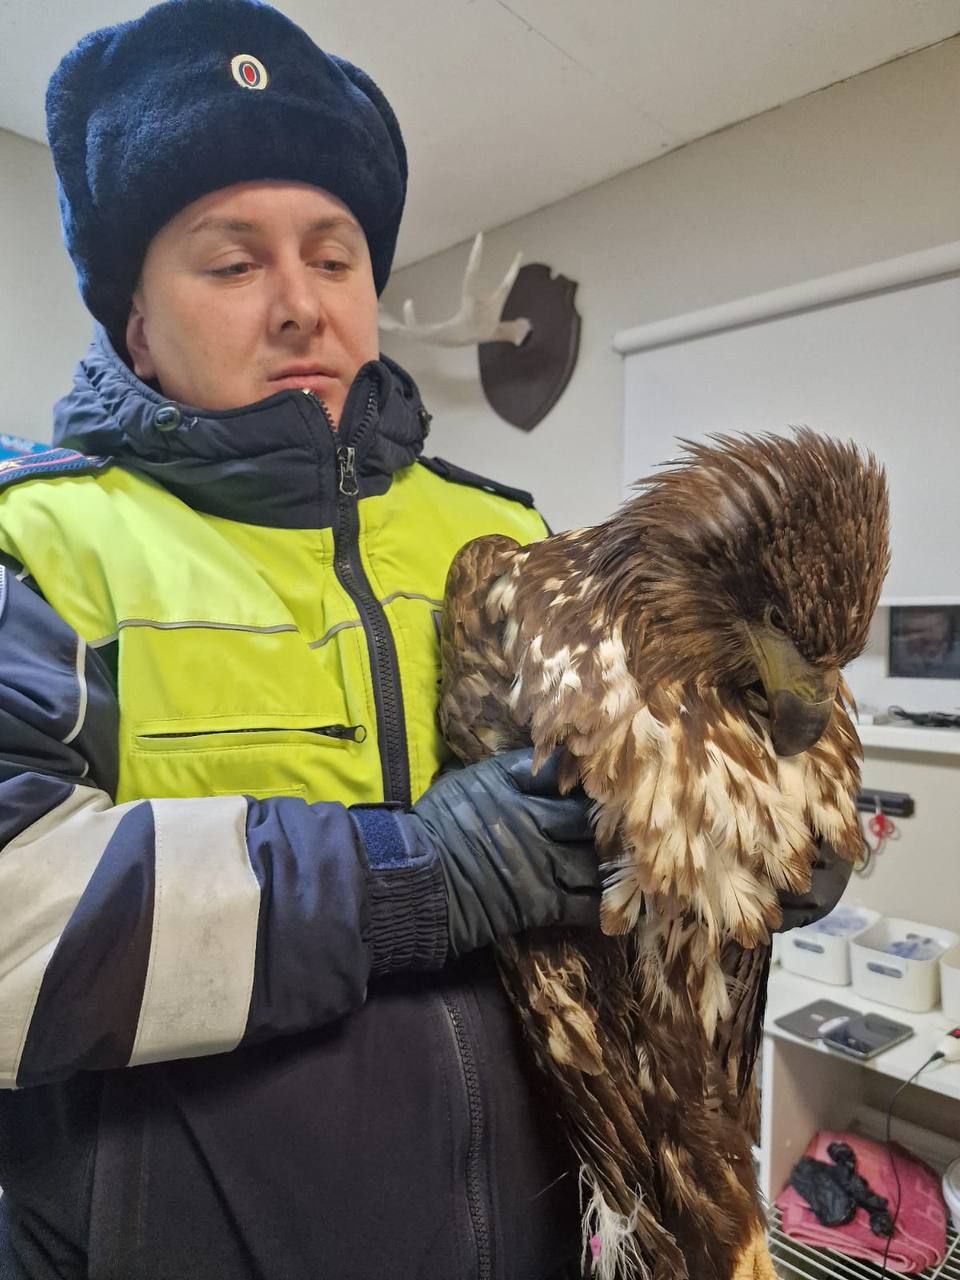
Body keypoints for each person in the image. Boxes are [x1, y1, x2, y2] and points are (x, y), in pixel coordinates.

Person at [0, 3, 849, 1277]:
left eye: (335, 258)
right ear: (135, 317)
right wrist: (417, 876)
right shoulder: (43, 539)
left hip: (530, 1230)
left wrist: (776, 831)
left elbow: (650, 815)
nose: (300, 305)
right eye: (232, 263)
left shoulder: (508, 532)